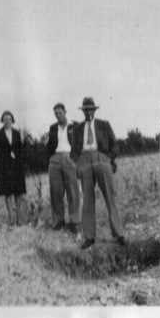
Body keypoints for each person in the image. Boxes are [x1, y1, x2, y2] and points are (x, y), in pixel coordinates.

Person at [71, 97, 126, 249]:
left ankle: (119, 234)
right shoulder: (77, 129)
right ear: (83, 111)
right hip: (85, 160)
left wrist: (108, 159)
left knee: (110, 196)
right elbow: (73, 151)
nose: (88, 112)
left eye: (91, 109)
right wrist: (78, 163)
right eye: (86, 109)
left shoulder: (104, 125)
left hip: (102, 159)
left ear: (95, 110)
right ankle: (89, 237)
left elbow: (115, 145)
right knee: (87, 200)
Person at [46, 103, 81, 233]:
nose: (58, 115)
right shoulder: (53, 128)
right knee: (56, 192)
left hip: (70, 158)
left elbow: (79, 144)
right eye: (55, 114)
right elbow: (50, 145)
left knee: (73, 191)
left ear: (65, 112)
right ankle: (58, 220)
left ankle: (75, 221)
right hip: (55, 159)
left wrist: (76, 159)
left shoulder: (75, 125)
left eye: (60, 113)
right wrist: (50, 159)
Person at [0, 111, 26, 226]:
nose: (7, 121)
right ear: (2, 121)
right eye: (5, 119)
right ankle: (11, 218)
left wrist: (18, 158)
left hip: (17, 166)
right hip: (4, 167)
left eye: (9, 119)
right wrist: (1, 162)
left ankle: (19, 218)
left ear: (12, 120)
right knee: (8, 192)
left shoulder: (17, 133)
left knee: (18, 192)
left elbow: (20, 148)